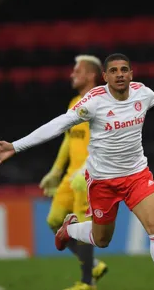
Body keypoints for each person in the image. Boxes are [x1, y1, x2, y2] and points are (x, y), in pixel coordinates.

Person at [0, 53, 154, 290]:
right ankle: (68, 230)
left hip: (137, 175)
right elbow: (58, 125)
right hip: (103, 181)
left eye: (124, 70)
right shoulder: (94, 101)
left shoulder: (143, 93)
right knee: (102, 240)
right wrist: (16, 146)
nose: (119, 74)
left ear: (131, 74)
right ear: (105, 76)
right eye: (114, 71)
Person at [39, 55, 107, 290]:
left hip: (89, 175)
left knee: (83, 226)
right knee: (55, 220)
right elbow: (69, 140)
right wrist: (55, 172)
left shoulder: (101, 103)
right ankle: (94, 265)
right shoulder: (73, 103)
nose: (71, 74)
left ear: (90, 75)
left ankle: (87, 282)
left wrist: (87, 169)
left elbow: (104, 142)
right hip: (71, 175)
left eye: (76, 71)